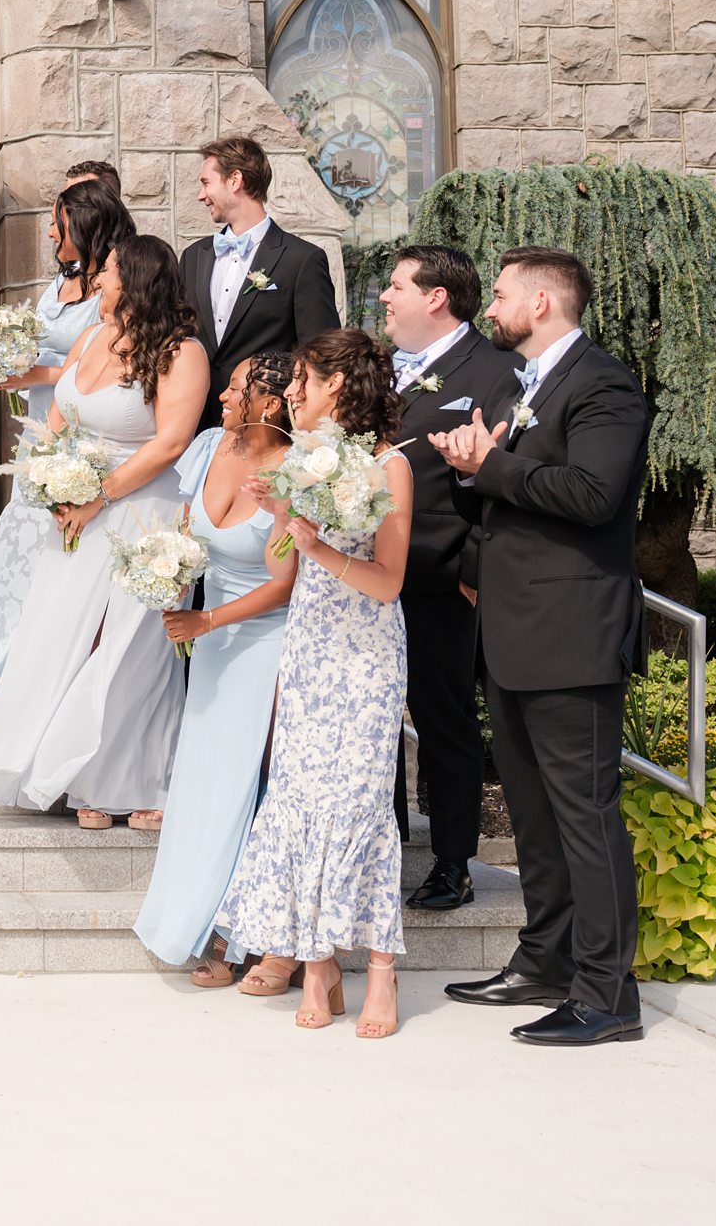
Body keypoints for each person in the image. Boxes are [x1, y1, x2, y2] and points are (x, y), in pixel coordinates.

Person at [432, 247, 650, 1048]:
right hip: (515, 633)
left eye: (498, 295)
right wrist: (473, 471)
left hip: (572, 635)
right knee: (531, 815)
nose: (489, 308)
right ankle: (544, 957)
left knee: (585, 818)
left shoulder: (603, 384)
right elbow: (513, 493)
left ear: (544, 302)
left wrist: (494, 465)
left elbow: (593, 496)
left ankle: (608, 992)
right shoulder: (527, 383)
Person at [0, 236, 207, 828]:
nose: (97, 280)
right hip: (75, 512)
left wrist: (100, 495)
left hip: (144, 515)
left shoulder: (181, 353)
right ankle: (64, 772)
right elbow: (60, 414)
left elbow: (171, 443)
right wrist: (55, 484)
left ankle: (129, 783)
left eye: (110, 271)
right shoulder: (93, 336)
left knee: (131, 647)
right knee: (63, 635)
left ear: (137, 280)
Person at [216, 329, 414, 1040]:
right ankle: (319, 964)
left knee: (360, 801)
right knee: (300, 794)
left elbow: (387, 584)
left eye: (302, 378)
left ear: (338, 383)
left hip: (364, 654)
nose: (291, 391)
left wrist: (317, 544)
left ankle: (382, 973)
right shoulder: (303, 460)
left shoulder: (390, 466)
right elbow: (284, 562)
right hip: (309, 646)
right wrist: (278, 515)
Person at [0, 179, 133, 701]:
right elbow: (41, 348)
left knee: (51, 540)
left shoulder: (117, 282)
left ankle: (33, 661)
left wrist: (29, 376)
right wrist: (1, 359)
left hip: (83, 427)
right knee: (23, 532)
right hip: (40, 425)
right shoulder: (61, 283)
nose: (52, 232)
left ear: (86, 225)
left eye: (60, 222)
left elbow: (92, 369)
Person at [132, 353, 297, 979]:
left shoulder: (291, 472)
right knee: (204, 781)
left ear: (270, 404)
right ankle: (198, 919)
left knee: (246, 787)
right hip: (211, 644)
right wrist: (169, 579)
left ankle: (242, 934)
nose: (222, 397)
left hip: (267, 643)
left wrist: (207, 622)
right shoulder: (206, 447)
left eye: (234, 389)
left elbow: (285, 584)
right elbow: (183, 533)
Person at [379, 244, 522, 912]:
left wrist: (472, 571)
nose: (385, 296)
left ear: (436, 296)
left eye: (397, 285)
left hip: (440, 578)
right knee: (372, 716)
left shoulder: (499, 371)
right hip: (365, 574)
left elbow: (501, 481)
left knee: (443, 717)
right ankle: (382, 845)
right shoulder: (378, 367)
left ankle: (452, 861)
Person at [176, 136, 339, 430]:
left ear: (235, 180)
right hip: (194, 423)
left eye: (206, 183)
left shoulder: (301, 259)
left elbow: (320, 354)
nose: (201, 195)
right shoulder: (193, 257)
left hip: (266, 426)